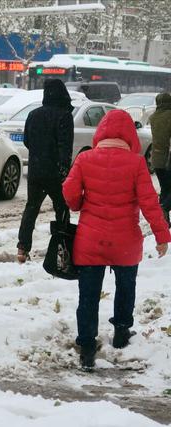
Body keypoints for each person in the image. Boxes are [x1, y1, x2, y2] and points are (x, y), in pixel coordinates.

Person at [62, 109, 170, 370]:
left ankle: (87, 345)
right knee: (125, 286)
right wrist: (161, 235)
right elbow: (149, 203)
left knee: (88, 295)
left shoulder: (86, 158)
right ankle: (121, 332)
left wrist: (78, 204)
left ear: (101, 132)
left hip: (90, 241)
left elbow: (69, 191)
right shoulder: (135, 163)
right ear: (130, 136)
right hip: (125, 242)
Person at [17, 79, 74, 263]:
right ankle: (62, 247)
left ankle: (22, 248)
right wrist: (64, 170)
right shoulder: (64, 115)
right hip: (55, 173)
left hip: (35, 170)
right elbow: (65, 147)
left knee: (31, 208)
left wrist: (38, 153)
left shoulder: (33, 115)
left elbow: (27, 141)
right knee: (62, 209)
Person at [149, 92, 171, 226]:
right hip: (169, 158)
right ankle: (164, 208)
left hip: (157, 159)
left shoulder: (153, 117)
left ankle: (163, 220)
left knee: (165, 188)